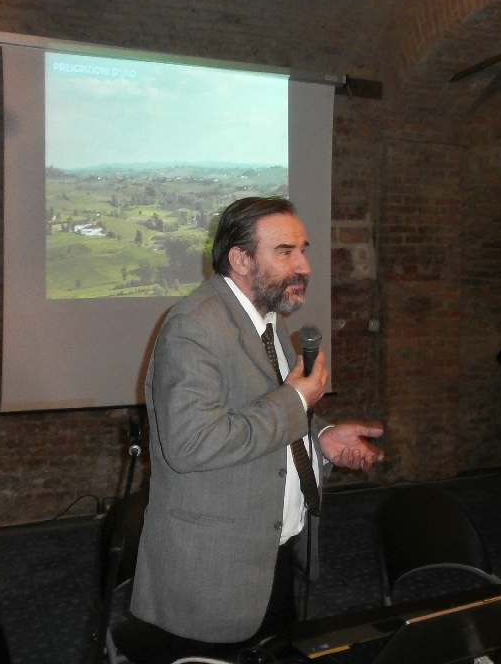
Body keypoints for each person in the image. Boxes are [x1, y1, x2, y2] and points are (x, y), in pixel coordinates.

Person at [129, 196, 384, 656]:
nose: (303, 265)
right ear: (241, 259)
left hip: (267, 552)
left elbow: (259, 411)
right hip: (214, 568)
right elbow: (193, 444)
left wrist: (321, 437)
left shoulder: (262, 321)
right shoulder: (194, 325)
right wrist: (296, 399)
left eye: (302, 249)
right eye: (285, 252)